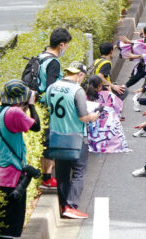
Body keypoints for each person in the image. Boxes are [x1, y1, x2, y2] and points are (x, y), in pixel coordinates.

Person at [43, 62, 99, 219]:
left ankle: (63, 206)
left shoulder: (52, 87)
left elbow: (47, 106)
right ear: (80, 75)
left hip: (56, 136)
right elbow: (83, 116)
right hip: (76, 138)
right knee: (79, 171)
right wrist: (93, 116)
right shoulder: (77, 90)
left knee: (62, 173)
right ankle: (71, 205)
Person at [0, 80, 40, 239]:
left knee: (4, 227)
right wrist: (32, 105)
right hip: (12, 177)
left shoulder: (2, 111)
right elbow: (36, 126)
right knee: (12, 231)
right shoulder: (14, 113)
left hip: (1, 176)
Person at [38, 28, 73, 191]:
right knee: (50, 142)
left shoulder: (41, 56)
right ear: (61, 44)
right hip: (48, 107)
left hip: (37, 104)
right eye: (66, 45)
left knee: (46, 141)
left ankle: (46, 176)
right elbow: (52, 88)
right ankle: (47, 178)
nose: (66, 48)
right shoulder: (53, 62)